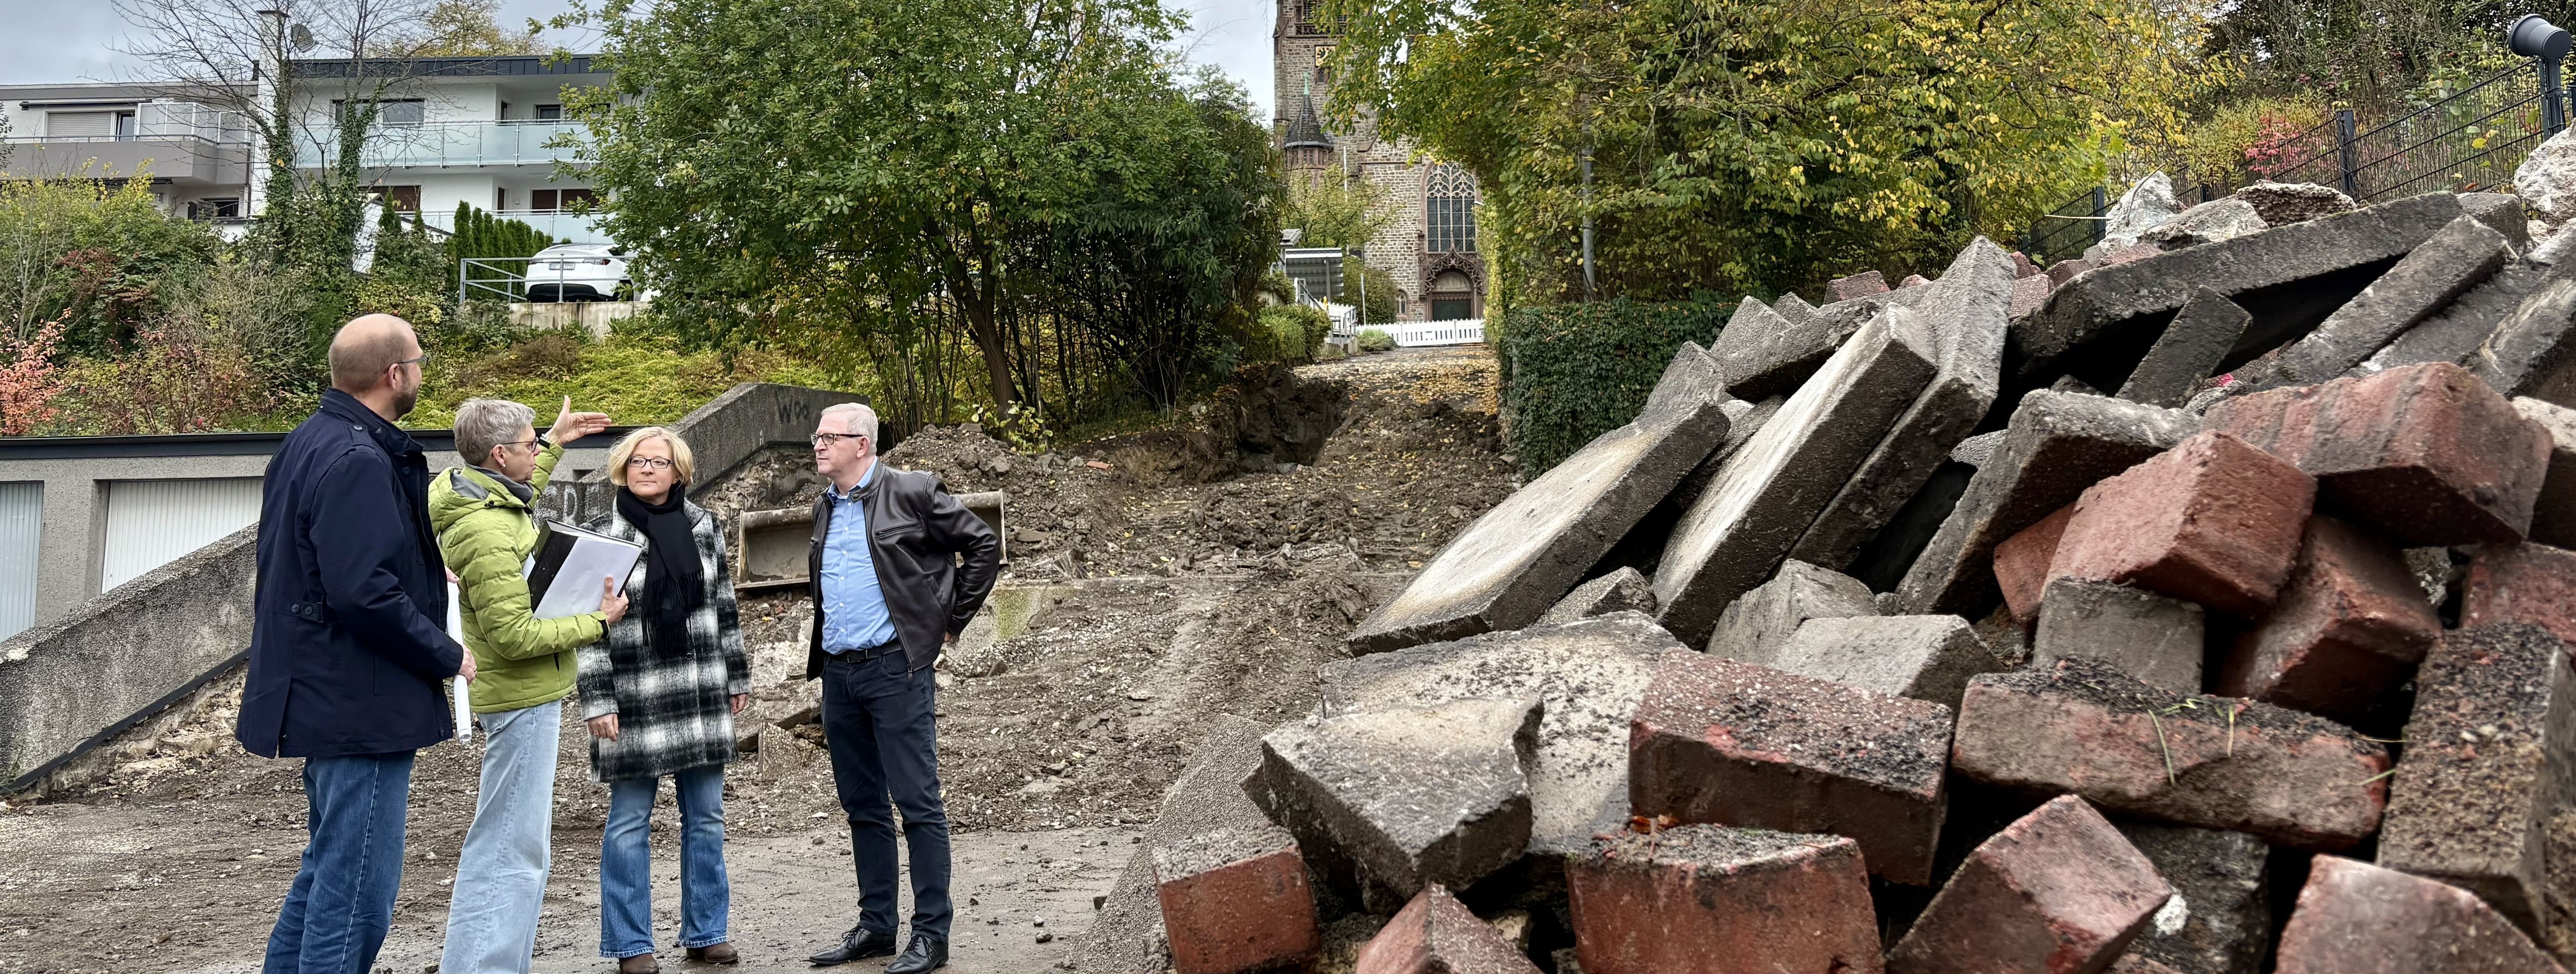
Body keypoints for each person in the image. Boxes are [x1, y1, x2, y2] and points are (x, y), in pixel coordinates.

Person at [239, 314, 468, 974]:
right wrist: (447, 652)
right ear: (394, 375)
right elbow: (361, 592)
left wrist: (426, 575)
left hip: (326, 692)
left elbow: (328, 562)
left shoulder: (309, 442)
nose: (422, 373)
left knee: (327, 870)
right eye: (419, 363)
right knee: (359, 890)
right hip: (357, 704)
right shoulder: (359, 457)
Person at [803, 403, 998, 973]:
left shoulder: (912, 490)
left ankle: (932, 934)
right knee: (862, 803)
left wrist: (949, 622)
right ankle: (876, 926)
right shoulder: (824, 505)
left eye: (828, 436)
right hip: (839, 674)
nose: (817, 444)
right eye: (816, 435)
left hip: (897, 669)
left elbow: (982, 545)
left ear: (861, 444)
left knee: (917, 803)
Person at [433, 396, 626, 974]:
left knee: (513, 843)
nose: (536, 450)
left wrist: (557, 444)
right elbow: (515, 635)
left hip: (524, 697)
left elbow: (516, 504)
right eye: (530, 445)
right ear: (499, 454)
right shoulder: (486, 531)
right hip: (521, 697)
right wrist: (599, 621)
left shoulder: (480, 499)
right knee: (511, 850)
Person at [577, 426, 749, 974]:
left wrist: (737, 678)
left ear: (680, 472)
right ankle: (632, 944)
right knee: (629, 820)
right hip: (634, 696)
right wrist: (597, 698)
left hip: (700, 691)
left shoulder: (704, 526)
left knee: (707, 817)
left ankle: (706, 931)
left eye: (659, 460)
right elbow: (584, 628)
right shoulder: (602, 534)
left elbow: (724, 606)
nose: (647, 468)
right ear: (622, 468)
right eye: (637, 460)